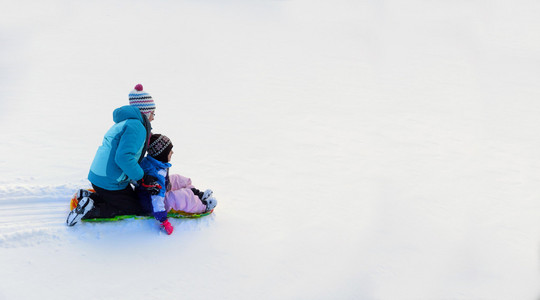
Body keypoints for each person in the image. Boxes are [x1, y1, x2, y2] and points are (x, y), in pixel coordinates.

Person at [67, 84, 157, 226]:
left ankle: (89, 196)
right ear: (145, 112)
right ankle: (89, 210)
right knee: (135, 208)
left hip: (99, 177)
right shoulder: (137, 127)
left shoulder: (126, 123)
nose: (153, 118)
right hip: (110, 181)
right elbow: (124, 158)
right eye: (153, 113)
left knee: (126, 198)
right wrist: (142, 177)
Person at [136, 134, 217, 235]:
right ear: (161, 155)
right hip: (151, 204)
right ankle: (203, 206)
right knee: (179, 197)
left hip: (150, 194)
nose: (172, 153)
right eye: (170, 152)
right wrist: (164, 221)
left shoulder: (151, 162)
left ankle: (198, 194)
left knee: (178, 179)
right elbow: (157, 200)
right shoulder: (157, 175)